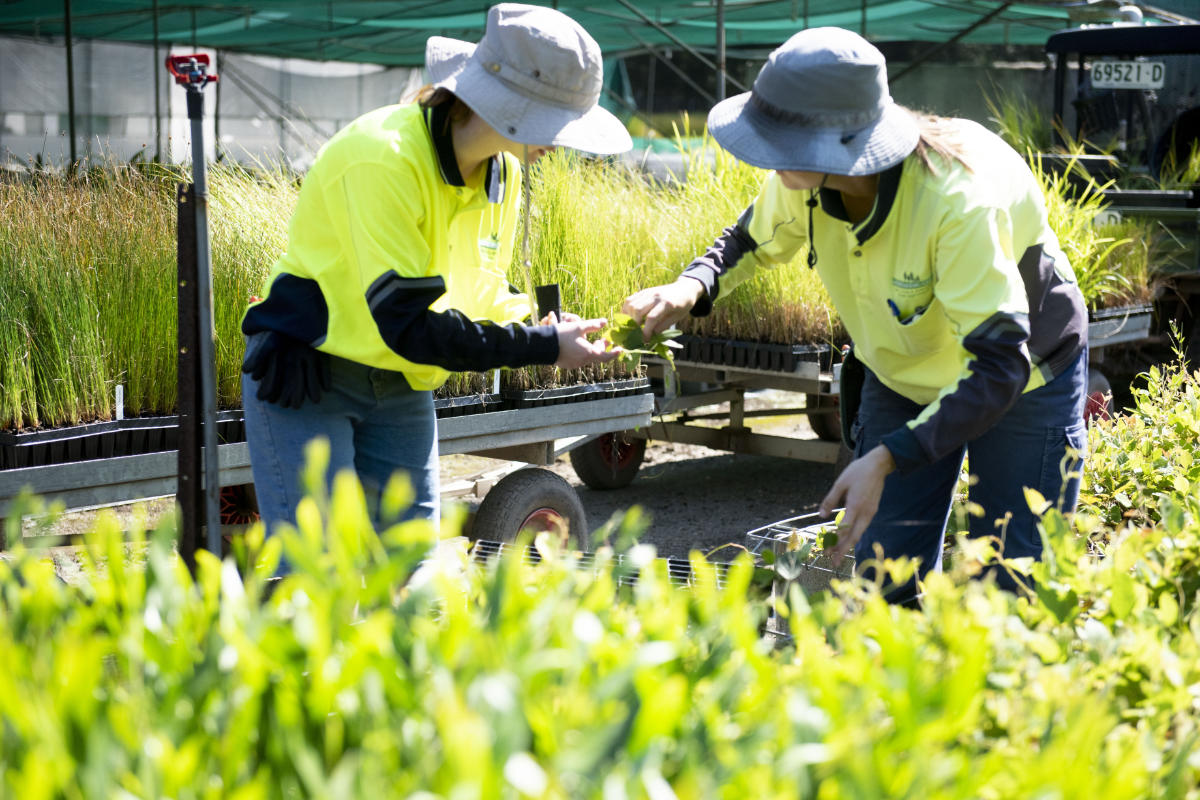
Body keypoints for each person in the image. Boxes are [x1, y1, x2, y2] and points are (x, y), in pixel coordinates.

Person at [624, 28, 1087, 604]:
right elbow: (749, 239)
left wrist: (889, 456)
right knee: (881, 579)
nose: (765, 152)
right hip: (901, 373)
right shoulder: (805, 180)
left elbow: (999, 366)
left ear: (839, 144)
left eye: (779, 138)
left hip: (1022, 377)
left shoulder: (955, 203)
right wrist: (689, 287)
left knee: (1013, 580)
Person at [240, 3, 631, 543]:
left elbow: (479, 283)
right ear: (506, 104)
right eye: (554, 122)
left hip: (403, 381)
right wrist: (542, 346)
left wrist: (542, 323)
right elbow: (409, 325)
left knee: (407, 564)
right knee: (319, 570)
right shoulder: (385, 159)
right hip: (313, 372)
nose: (561, 141)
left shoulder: (504, 172)